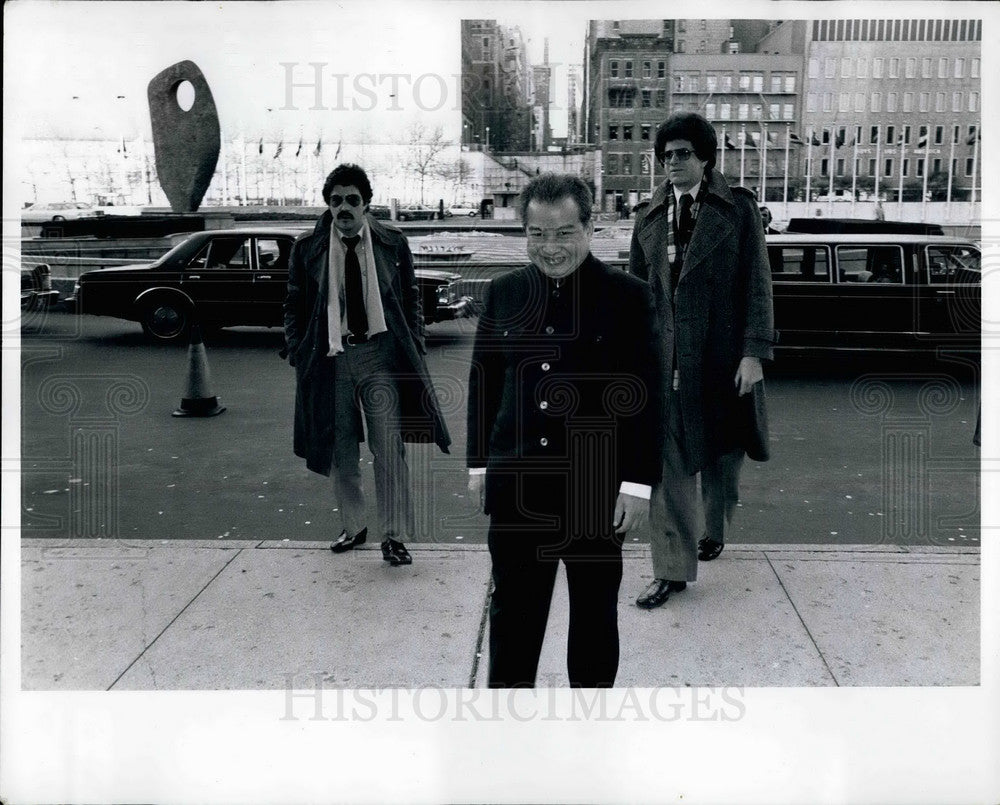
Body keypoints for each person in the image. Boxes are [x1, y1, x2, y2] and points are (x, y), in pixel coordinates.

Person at [467, 173, 662, 687]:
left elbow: (647, 398)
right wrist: (479, 464)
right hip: (518, 490)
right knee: (513, 619)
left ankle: (590, 741)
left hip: (596, 491)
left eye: (563, 233)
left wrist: (638, 484)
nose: (549, 248)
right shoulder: (504, 293)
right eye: (536, 234)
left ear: (590, 228)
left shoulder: (629, 297)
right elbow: (484, 383)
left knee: (596, 621)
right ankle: (508, 735)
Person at [629, 112, 776, 609]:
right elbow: (637, 293)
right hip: (667, 363)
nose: (673, 162)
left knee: (720, 459)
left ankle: (714, 527)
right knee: (668, 470)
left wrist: (754, 353)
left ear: (706, 157)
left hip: (722, 360)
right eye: (666, 155)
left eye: (684, 153)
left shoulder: (737, 210)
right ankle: (671, 569)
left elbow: (758, 283)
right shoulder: (649, 217)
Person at [283, 163, 451, 567]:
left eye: (352, 200)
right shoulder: (309, 248)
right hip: (331, 360)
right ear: (328, 204)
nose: (344, 207)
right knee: (340, 448)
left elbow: (411, 295)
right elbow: (294, 303)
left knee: (388, 447)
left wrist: (417, 339)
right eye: (336, 200)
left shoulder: (392, 242)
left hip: (379, 356)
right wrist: (297, 350)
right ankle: (354, 526)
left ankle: (393, 537)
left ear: (366, 204)